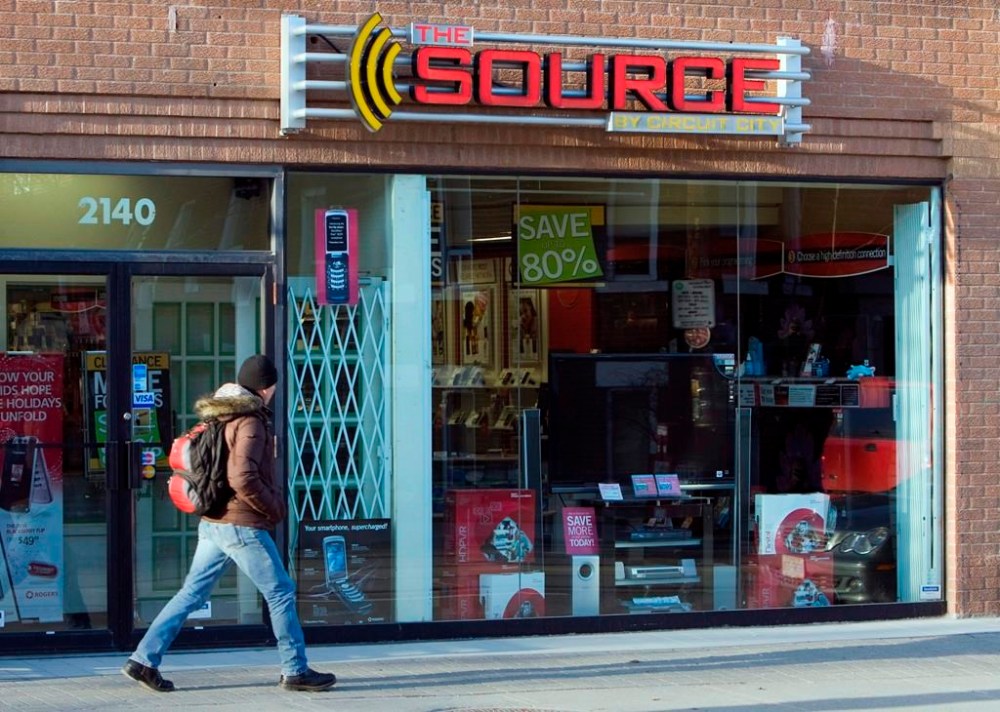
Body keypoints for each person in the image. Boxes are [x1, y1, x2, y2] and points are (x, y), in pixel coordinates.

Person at [122, 354, 336, 693]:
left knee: (191, 593)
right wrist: (274, 507)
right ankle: (295, 670)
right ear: (267, 387)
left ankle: (143, 660)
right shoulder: (249, 421)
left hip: (214, 521)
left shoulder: (222, 415)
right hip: (240, 523)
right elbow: (243, 477)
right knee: (280, 592)